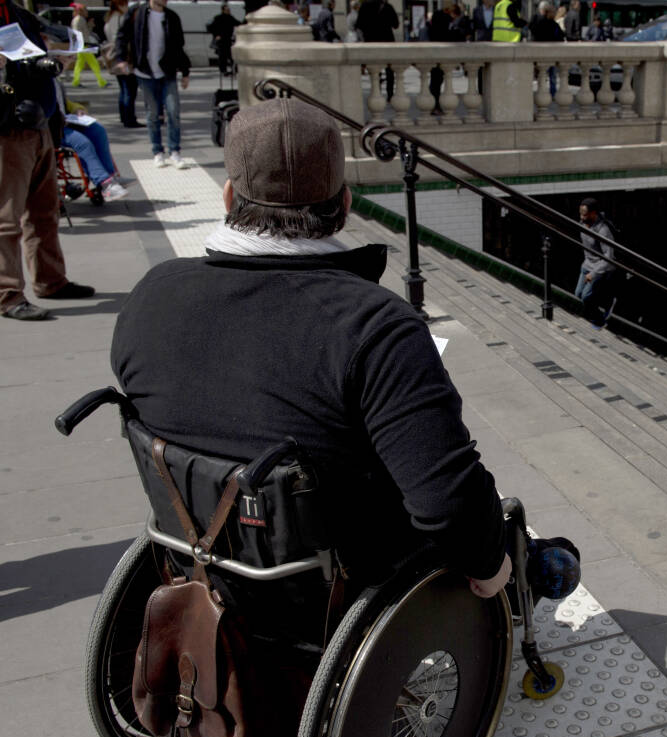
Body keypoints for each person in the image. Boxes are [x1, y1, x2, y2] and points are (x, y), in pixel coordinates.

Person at [110, 97, 514, 599]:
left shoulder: (152, 293)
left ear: (229, 195)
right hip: (337, 585)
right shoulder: (376, 326)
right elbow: (448, 505)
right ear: (343, 205)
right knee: (506, 531)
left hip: (201, 562)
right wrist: (494, 565)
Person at [0, 0, 95, 321]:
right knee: (6, 218)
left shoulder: (17, 13)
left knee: (44, 211)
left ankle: (50, 280)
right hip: (8, 129)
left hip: (38, 125)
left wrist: (56, 58)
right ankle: (8, 294)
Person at [114, 0, 191, 169]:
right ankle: (157, 152)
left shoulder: (172, 17)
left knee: (173, 111)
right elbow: (122, 36)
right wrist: (120, 59)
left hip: (167, 72)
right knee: (153, 114)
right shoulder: (136, 13)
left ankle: (174, 151)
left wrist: (185, 72)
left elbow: (179, 47)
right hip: (145, 71)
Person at [574, 197, 616, 329]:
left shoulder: (603, 230)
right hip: (587, 264)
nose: (582, 217)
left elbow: (609, 256)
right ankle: (601, 306)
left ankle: (600, 320)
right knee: (578, 295)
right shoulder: (582, 223)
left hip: (600, 267)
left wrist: (593, 273)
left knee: (586, 296)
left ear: (594, 213)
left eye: (585, 215)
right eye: (580, 214)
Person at [104, 0, 141, 127]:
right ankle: (129, 118)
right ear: (120, 5)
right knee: (130, 89)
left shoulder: (110, 18)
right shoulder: (120, 18)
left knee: (124, 89)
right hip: (123, 56)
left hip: (114, 57)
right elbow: (121, 38)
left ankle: (124, 116)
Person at [69, 4, 108, 88]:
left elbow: (83, 32)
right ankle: (101, 81)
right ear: (81, 11)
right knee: (93, 63)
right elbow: (79, 33)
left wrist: (89, 26)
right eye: (85, 10)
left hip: (81, 45)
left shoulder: (78, 19)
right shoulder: (79, 19)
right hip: (83, 45)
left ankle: (76, 81)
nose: (87, 12)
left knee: (80, 64)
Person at [207, 3, 241, 75]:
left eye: (229, 10)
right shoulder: (218, 18)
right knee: (223, 56)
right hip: (221, 40)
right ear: (223, 10)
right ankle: (223, 70)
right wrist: (216, 35)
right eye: (227, 10)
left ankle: (234, 69)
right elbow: (210, 27)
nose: (229, 11)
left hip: (228, 39)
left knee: (231, 56)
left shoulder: (230, 17)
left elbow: (238, 23)